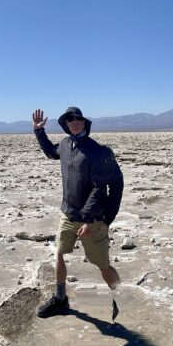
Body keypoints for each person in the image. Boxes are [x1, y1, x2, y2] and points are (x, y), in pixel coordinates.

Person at [32, 107, 124, 318]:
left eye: (78, 119)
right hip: (68, 214)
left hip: (91, 221)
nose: (74, 122)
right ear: (66, 123)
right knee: (60, 253)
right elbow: (50, 152)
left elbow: (100, 188)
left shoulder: (96, 151)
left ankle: (121, 298)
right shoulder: (65, 145)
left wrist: (98, 219)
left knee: (103, 265)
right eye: (70, 119)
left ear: (84, 123)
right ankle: (60, 298)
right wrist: (39, 131)